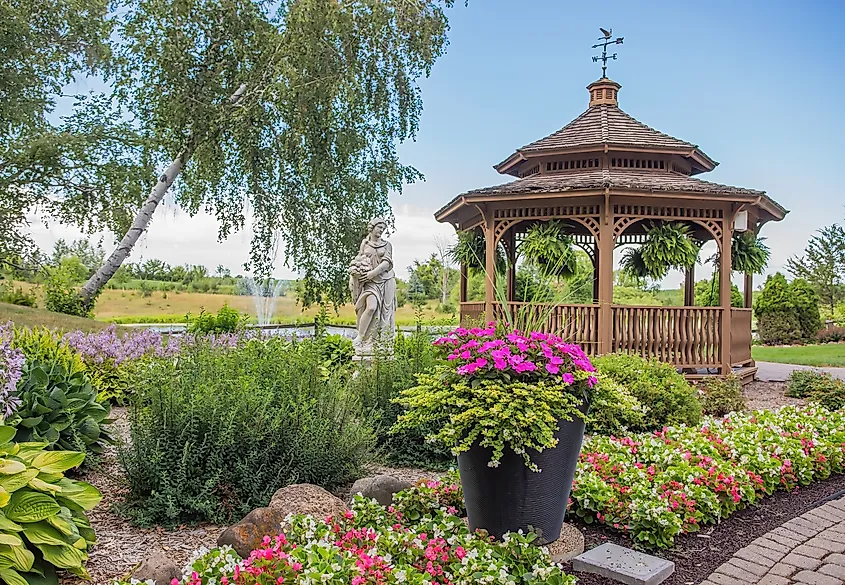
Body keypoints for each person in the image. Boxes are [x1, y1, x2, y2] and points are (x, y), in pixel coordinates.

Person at [349, 218, 397, 355]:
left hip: (386, 280)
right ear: (372, 227)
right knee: (371, 307)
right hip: (370, 283)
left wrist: (372, 273)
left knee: (385, 313)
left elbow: (386, 264)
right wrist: (353, 276)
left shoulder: (387, 245)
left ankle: (381, 342)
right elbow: (358, 261)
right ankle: (361, 337)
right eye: (379, 227)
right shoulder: (365, 243)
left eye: (383, 228)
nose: (381, 230)